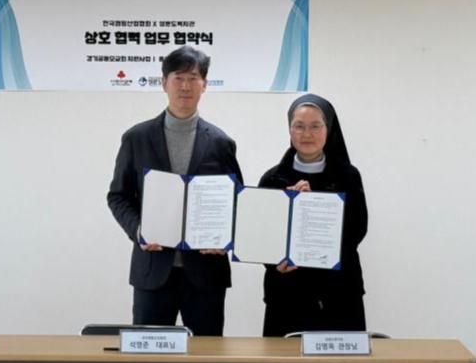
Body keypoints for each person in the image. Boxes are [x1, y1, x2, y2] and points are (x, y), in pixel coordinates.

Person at [107, 46, 243, 336]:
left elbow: (237, 202)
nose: (185, 86)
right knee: (149, 354)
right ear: (164, 83)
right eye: (178, 78)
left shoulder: (221, 143)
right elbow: (118, 196)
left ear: (204, 85)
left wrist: (225, 236)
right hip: (153, 271)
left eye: (193, 78)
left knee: (206, 355)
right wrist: (139, 230)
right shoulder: (137, 138)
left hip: (206, 273)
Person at [259, 93, 368, 337]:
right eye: (299, 126)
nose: (307, 134)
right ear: (289, 130)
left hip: (339, 290)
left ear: (328, 129)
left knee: (340, 360)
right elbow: (262, 235)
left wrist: (315, 203)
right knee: (284, 361)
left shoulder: (348, 176)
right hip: (287, 291)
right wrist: (274, 262)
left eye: (315, 126)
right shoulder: (272, 179)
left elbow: (357, 229)